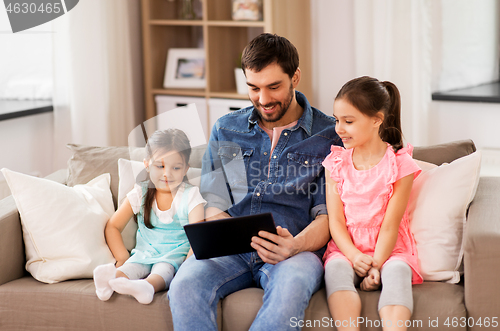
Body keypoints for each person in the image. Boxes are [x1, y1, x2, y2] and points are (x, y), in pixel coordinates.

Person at [168, 33, 342, 330]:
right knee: (183, 285)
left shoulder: (329, 135)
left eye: (274, 87)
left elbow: (328, 215)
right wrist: (222, 232)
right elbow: (214, 201)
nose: (263, 99)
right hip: (230, 250)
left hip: (293, 252)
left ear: (295, 77)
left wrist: (295, 245)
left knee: (291, 289)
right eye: (253, 88)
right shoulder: (227, 129)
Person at [322, 76, 423, 331]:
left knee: (398, 271)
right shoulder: (335, 164)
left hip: (389, 250)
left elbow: (390, 226)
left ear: (377, 119)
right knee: (334, 270)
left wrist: (375, 266)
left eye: (348, 121)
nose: (339, 128)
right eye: (336, 120)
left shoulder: (400, 165)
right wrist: (354, 256)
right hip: (347, 248)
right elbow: (335, 220)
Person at [93, 129, 206, 304]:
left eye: (176, 167)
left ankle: (147, 287)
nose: (167, 174)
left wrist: (187, 266)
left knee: (163, 270)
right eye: (160, 166)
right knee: (130, 267)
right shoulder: (141, 192)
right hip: (143, 254)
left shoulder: (191, 196)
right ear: (146, 164)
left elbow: (198, 236)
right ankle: (110, 282)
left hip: (173, 258)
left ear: (186, 169)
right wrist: (122, 257)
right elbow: (113, 226)